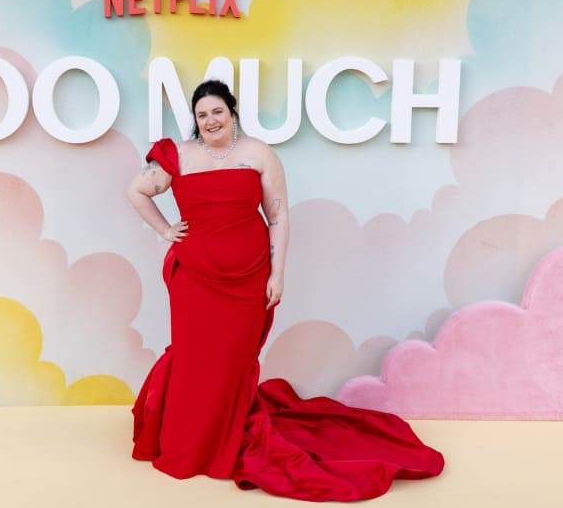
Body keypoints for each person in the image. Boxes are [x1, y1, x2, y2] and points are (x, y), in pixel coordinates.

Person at [126, 79, 443, 502]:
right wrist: (166, 230)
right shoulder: (176, 155)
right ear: (195, 120)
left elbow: (277, 215)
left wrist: (278, 273)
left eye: (217, 112)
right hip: (195, 277)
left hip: (249, 276)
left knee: (233, 361)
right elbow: (137, 190)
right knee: (195, 358)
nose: (210, 121)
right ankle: (190, 445)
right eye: (202, 115)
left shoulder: (259, 153)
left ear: (231, 112)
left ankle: (225, 434)